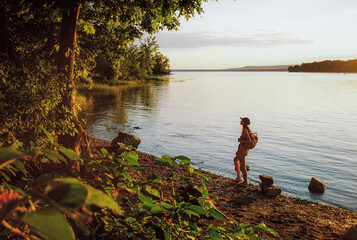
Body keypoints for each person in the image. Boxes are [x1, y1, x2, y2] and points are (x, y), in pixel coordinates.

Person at [233, 117, 253, 186]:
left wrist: (240, 140)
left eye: (241, 120)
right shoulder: (245, 129)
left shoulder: (245, 130)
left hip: (243, 150)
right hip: (242, 149)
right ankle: (239, 177)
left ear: (243, 122)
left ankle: (245, 182)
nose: (240, 121)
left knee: (243, 166)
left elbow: (249, 141)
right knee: (235, 160)